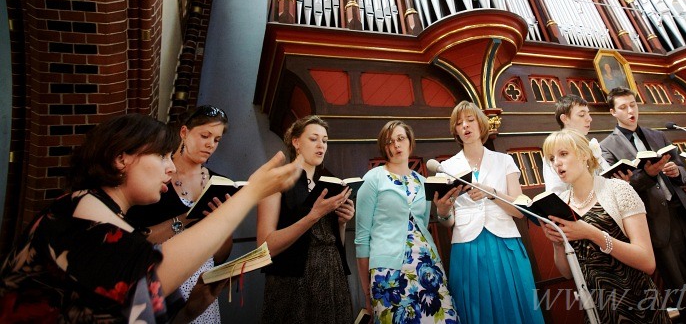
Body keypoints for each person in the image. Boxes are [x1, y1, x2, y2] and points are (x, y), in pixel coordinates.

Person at [0, 113, 301, 323]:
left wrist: (188, 311)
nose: (170, 168)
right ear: (121, 159)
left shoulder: (113, 216)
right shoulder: (79, 207)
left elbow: (135, 309)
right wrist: (251, 194)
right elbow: (149, 278)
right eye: (161, 156)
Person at [600, 87, 686, 324]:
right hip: (654, 225)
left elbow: (685, 174)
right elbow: (617, 191)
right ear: (613, 112)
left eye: (633, 104)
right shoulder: (607, 147)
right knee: (683, 291)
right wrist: (648, 175)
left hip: (685, 216)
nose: (631, 110)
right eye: (623, 107)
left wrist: (676, 171)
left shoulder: (657, 136)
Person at [541, 129, 670, 323]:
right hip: (598, 309)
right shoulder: (560, 202)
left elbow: (647, 262)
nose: (556, 162)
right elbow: (568, 273)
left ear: (584, 155)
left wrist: (592, 233)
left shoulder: (618, 189)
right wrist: (557, 244)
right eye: (551, 158)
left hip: (638, 304)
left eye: (563, 154)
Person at [437, 101, 544, 324]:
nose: (465, 126)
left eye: (470, 120)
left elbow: (519, 211)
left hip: (505, 243)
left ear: (481, 124)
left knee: (516, 301)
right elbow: (448, 222)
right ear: (455, 130)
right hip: (467, 247)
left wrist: (492, 193)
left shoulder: (504, 160)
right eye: (459, 123)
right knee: (477, 309)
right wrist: (443, 211)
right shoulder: (446, 166)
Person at [127, 105, 233, 324]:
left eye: (217, 140)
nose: (210, 145)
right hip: (162, 276)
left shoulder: (220, 184)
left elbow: (220, 256)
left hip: (201, 282)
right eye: (205, 136)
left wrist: (224, 223)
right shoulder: (158, 175)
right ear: (184, 132)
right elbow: (137, 239)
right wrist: (187, 219)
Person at [355, 120, 458, 323]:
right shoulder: (372, 179)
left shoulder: (422, 182)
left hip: (429, 268)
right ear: (384, 148)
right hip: (388, 275)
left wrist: (445, 211)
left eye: (401, 139)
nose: (396, 145)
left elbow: (426, 222)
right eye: (389, 142)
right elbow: (361, 238)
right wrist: (366, 292)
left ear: (410, 143)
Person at [256, 115, 354, 324]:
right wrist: (313, 216)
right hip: (294, 284)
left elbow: (333, 244)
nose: (321, 145)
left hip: (332, 278)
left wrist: (342, 223)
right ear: (296, 142)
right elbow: (265, 246)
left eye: (325, 140)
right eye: (314, 139)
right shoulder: (277, 180)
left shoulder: (326, 184)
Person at [542, 95, 609, 193]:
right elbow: (556, 193)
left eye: (588, 114)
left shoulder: (589, 145)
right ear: (565, 119)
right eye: (581, 115)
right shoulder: (554, 152)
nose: (589, 119)